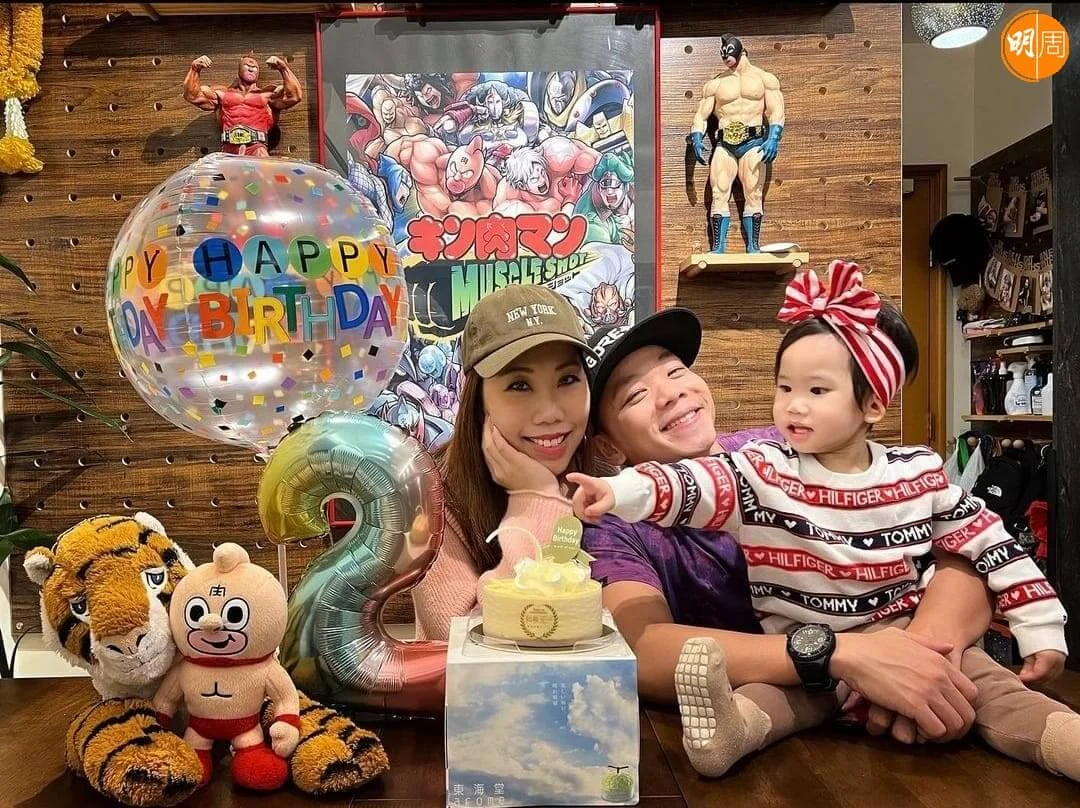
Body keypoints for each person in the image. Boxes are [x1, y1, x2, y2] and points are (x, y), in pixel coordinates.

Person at [571, 261, 1078, 781]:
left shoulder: (795, 446)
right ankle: (734, 731)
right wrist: (848, 656)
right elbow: (645, 648)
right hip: (800, 729)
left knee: (1009, 703)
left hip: (921, 670)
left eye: (676, 370)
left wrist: (915, 655)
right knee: (757, 709)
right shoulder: (615, 525)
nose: (670, 392)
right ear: (608, 445)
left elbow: (966, 552)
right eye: (635, 394)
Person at [408, 284, 595, 640]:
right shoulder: (431, 498)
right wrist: (535, 497)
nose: (550, 412)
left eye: (568, 379)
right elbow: (464, 641)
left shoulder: (603, 475)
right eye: (519, 385)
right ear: (479, 400)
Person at [687, 33, 784, 256]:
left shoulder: (764, 79)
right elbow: (701, 115)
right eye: (723, 55)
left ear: (740, 51)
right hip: (725, 144)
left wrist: (774, 137)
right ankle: (718, 248)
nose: (725, 58)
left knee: (753, 193)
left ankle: (753, 247)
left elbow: (776, 110)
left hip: (754, 142)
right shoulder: (715, 84)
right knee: (719, 192)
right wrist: (697, 136)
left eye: (728, 53)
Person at [183, 53, 302, 157]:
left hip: (257, 149)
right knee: (225, 176)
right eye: (247, 65)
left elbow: (294, 96)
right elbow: (192, 96)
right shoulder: (222, 94)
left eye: (254, 67)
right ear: (239, 69)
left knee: (262, 174)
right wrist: (195, 69)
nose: (251, 68)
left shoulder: (267, 95)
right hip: (229, 150)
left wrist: (283, 68)